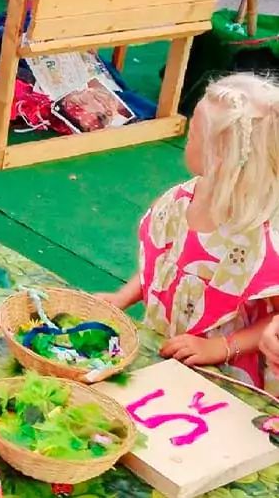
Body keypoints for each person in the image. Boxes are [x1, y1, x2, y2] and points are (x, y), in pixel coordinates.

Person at [98, 73, 279, 395]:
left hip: (227, 377)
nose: (186, 139)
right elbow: (164, 265)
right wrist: (121, 299)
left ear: (220, 158)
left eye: (194, 135)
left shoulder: (261, 239)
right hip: (171, 351)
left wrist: (222, 347)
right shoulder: (181, 201)